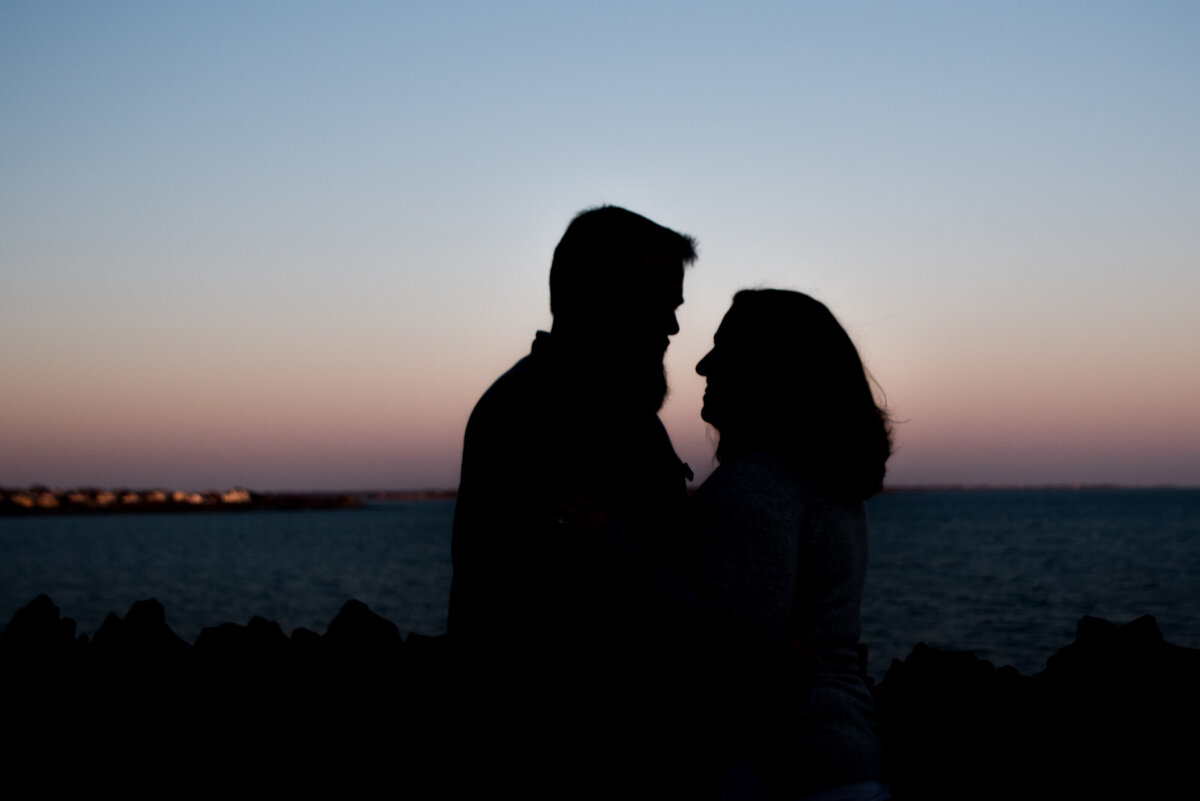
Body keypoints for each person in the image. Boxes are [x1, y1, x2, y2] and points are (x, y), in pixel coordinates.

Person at [446, 205, 698, 794]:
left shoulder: (621, 417)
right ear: (596, 295)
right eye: (658, 299)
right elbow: (566, 606)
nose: (673, 326)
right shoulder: (535, 413)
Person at [689, 289, 892, 801]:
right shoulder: (829, 484)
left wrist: (616, 546)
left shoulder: (756, 485)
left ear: (769, 369)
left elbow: (728, 645)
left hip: (787, 775)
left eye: (724, 349)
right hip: (849, 763)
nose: (702, 364)